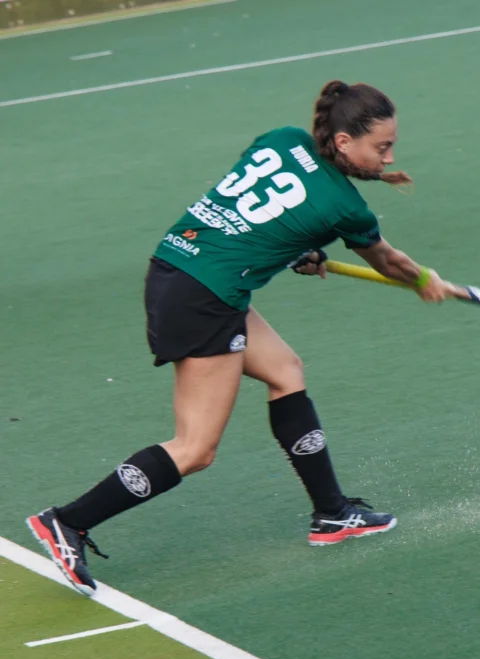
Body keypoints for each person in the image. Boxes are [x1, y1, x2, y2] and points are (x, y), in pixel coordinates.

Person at [26, 80, 451, 597]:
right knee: (196, 448)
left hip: (176, 268)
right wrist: (426, 281)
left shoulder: (281, 140)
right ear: (343, 142)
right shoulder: (347, 207)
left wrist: (299, 247)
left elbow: (251, 212)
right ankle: (67, 521)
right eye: (381, 147)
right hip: (207, 299)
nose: (388, 157)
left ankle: (333, 514)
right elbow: (390, 263)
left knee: (285, 370)